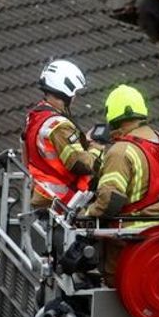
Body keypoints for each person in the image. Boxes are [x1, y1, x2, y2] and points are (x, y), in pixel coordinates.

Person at [84, 84, 159, 285]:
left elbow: (109, 201)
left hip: (127, 248)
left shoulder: (121, 152)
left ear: (115, 119)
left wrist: (85, 215)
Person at [22, 60, 103, 210]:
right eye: (75, 93)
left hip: (42, 196)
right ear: (66, 90)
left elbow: (54, 150)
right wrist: (97, 149)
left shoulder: (36, 116)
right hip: (62, 202)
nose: (75, 98)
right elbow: (80, 164)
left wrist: (82, 140)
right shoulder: (60, 126)